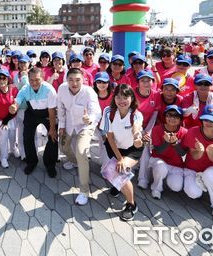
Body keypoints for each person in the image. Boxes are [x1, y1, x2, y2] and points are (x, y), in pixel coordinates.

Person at [57, 68, 101, 206]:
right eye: (70, 79)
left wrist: (90, 119)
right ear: (66, 80)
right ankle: (77, 162)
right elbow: (61, 108)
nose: (74, 83)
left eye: (78, 80)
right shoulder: (62, 89)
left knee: (81, 151)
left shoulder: (89, 92)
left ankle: (84, 191)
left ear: (83, 80)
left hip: (85, 126)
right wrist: (62, 126)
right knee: (63, 147)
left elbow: (96, 111)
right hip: (69, 123)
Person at [101, 83, 144, 220]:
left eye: (126, 97)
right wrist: (119, 158)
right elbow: (110, 137)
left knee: (121, 171)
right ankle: (118, 186)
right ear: (114, 98)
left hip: (132, 149)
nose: (122, 101)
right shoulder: (109, 111)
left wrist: (137, 137)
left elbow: (136, 129)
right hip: (114, 146)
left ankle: (132, 204)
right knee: (113, 170)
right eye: (118, 97)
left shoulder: (136, 115)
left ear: (132, 98)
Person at [181, 105, 213, 219]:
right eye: (206, 119)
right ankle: (205, 183)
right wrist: (200, 151)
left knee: (209, 174)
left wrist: (209, 152)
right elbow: (194, 155)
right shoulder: (193, 131)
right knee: (194, 193)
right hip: (192, 168)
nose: (209, 123)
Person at [10, 68, 58, 176]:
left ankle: (50, 163)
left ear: (43, 79)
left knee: (53, 137)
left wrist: (52, 128)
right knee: (27, 137)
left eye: (37, 80)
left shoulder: (49, 90)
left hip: (47, 113)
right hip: (32, 113)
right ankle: (31, 162)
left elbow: (51, 111)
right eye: (31, 80)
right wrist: (14, 107)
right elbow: (17, 101)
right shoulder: (25, 88)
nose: (34, 83)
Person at [149, 105, 188, 200]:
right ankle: (156, 188)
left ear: (180, 119)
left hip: (175, 164)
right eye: (169, 115)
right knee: (160, 166)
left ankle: (163, 177)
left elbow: (182, 153)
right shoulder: (157, 129)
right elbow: (157, 151)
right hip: (159, 160)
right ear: (165, 117)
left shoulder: (185, 132)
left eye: (176, 116)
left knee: (176, 187)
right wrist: (166, 142)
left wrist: (175, 144)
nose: (172, 118)